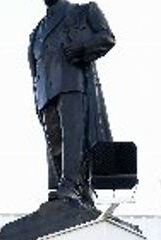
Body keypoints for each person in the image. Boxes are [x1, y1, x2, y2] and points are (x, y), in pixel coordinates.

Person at [28, 0, 115, 206]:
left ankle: (72, 185)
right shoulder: (36, 32)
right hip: (45, 94)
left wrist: (82, 48)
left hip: (72, 83)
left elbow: (106, 38)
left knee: (73, 136)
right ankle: (66, 186)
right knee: (54, 143)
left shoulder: (83, 11)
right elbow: (34, 69)